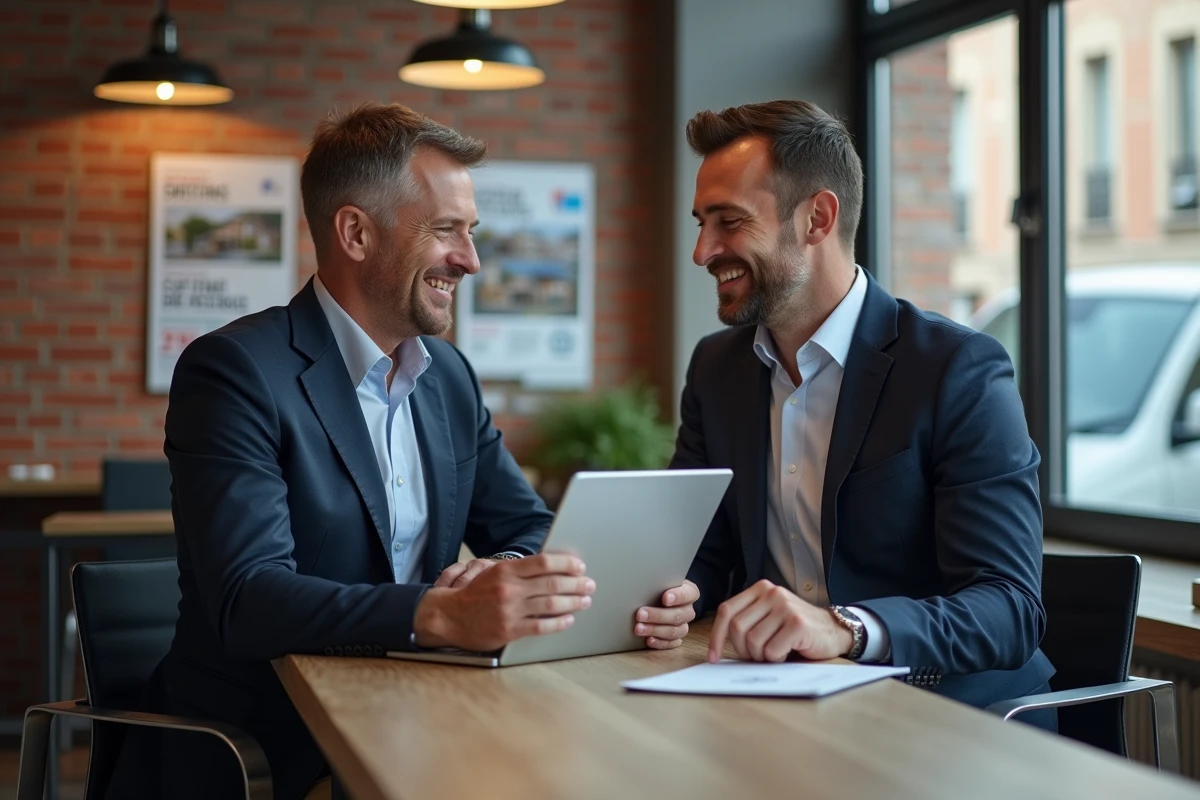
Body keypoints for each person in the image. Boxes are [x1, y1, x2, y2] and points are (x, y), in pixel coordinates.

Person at [110, 103, 603, 800]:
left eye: (472, 233)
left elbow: (529, 525)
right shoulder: (235, 372)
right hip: (259, 755)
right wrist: (433, 614)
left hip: (422, 722)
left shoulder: (449, 379)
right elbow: (249, 597)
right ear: (355, 232)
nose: (471, 260)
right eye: (447, 231)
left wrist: (503, 575)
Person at [634, 99, 1055, 727]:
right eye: (701, 223)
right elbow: (700, 549)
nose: (702, 251)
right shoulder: (716, 369)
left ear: (817, 218)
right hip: (778, 706)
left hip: (948, 721)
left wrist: (845, 628)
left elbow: (1009, 607)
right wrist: (675, 594)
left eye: (728, 221)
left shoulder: (957, 369)